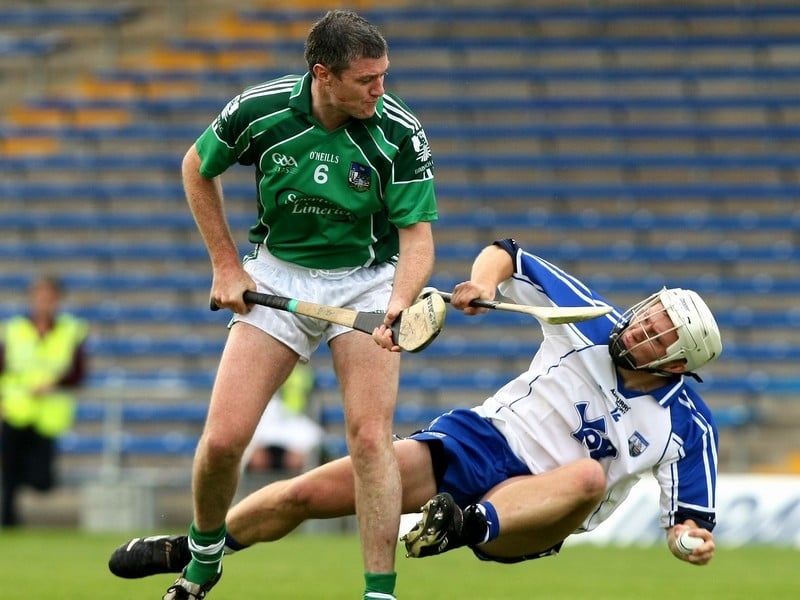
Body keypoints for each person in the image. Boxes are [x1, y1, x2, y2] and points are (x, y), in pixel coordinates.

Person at [108, 238, 722, 584]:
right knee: (307, 494)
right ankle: (192, 550)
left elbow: (691, 522)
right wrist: (482, 284)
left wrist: (690, 541)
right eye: (651, 315)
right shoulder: (591, 322)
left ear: (676, 366)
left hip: (537, 512)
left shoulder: (687, 427)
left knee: (588, 476)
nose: (642, 328)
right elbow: (507, 252)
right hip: (479, 442)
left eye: (660, 335)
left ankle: (461, 525)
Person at [164, 8, 437, 600]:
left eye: (384, 74)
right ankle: (204, 559)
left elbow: (417, 237)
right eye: (367, 79)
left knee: (370, 440)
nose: (380, 89)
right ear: (324, 75)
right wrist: (226, 264)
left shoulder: (397, 132)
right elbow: (196, 166)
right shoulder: (258, 111)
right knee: (222, 442)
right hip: (279, 275)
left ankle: (379, 592)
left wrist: (397, 304)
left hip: (365, 282)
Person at [1, 275, 89, 527]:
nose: (44, 302)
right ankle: (8, 526)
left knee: (42, 479)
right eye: (39, 297)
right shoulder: (15, 329)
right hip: (15, 410)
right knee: (8, 478)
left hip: (47, 417)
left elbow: (78, 373)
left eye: (49, 297)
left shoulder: (69, 331)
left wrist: (55, 383)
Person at [241, 363, 322, 474]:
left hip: (294, 431)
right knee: (256, 458)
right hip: (264, 436)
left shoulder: (300, 405)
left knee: (295, 460)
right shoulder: (261, 400)